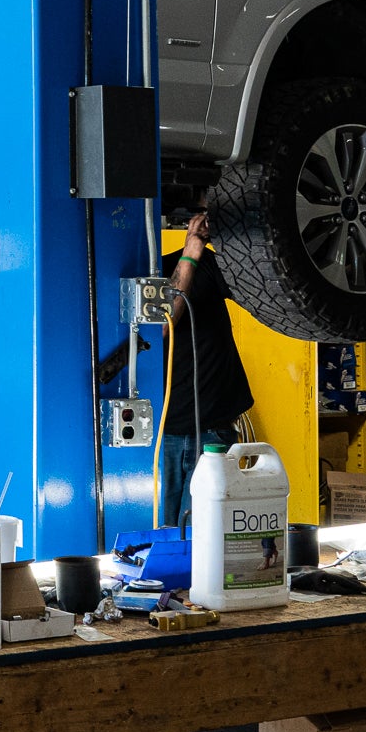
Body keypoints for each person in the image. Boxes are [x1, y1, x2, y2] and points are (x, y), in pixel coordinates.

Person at [158, 211, 255, 527]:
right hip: (162, 437)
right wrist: (191, 252)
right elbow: (163, 322)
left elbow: (261, 291)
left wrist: (234, 241)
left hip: (213, 427)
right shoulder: (132, 283)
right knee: (160, 536)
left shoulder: (206, 266)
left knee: (205, 531)